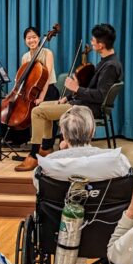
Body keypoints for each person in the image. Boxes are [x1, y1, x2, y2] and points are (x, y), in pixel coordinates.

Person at [15, 23, 123, 172]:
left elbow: (100, 96)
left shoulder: (110, 66)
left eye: (93, 40)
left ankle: (34, 154)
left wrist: (76, 88)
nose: (91, 42)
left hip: (87, 108)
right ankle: (46, 149)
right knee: (41, 107)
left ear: (101, 44)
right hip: (80, 102)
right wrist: (69, 96)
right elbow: (91, 88)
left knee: (36, 112)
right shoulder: (105, 62)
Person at [36, 105, 133, 186]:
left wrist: (63, 153)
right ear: (92, 131)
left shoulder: (45, 165)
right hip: (109, 210)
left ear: (64, 135)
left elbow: (40, 192)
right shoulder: (118, 160)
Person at [0, 26, 61, 147]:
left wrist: (42, 97)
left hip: (48, 90)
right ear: (25, 40)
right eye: (28, 38)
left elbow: (46, 77)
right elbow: (22, 79)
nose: (31, 40)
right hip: (30, 91)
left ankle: (46, 144)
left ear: (39, 38)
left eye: (34, 37)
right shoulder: (25, 57)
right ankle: (16, 140)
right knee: (11, 107)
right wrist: (13, 92)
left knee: (44, 113)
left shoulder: (47, 53)